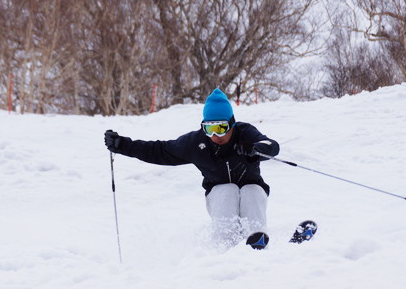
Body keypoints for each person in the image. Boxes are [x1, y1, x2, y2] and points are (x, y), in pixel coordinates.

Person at [104, 88, 280, 249]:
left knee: (251, 190)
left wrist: (255, 148)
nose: (215, 135)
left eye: (221, 128)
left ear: (232, 124)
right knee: (227, 190)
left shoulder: (245, 133)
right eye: (209, 128)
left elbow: (271, 145)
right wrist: (123, 145)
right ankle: (225, 246)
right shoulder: (197, 142)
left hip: (254, 191)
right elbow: (160, 151)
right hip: (219, 195)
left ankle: (257, 240)